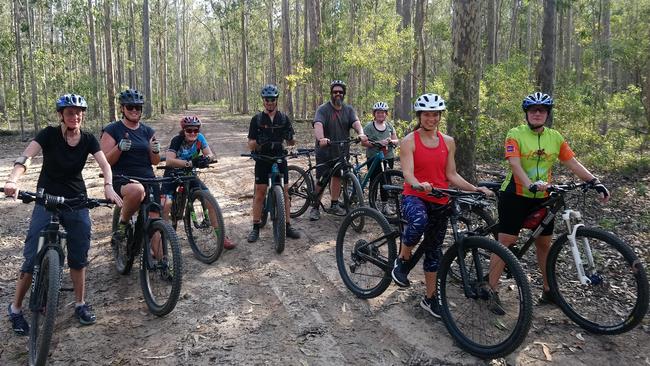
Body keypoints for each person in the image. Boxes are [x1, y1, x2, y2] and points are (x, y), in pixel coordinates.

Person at [4, 94, 122, 333]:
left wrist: (108, 185)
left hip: (76, 200)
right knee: (30, 258)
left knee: (79, 255)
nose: (75, 116)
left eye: (78, 113)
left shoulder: (88, 139)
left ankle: (80, 303)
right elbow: (26, 157)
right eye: (69, 112)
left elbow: (105, 165)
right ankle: (15, 309)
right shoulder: (48, 134)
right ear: (61, 115)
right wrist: (13, 179)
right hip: (45, 198)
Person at [487, 92, 609, 308]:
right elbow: (514, 164)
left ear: (547, 114)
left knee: (544, 244)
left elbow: (572, 163)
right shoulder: (515, 134)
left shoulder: (555, 137)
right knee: (506, 243)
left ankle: (548, 290)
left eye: (541, 110)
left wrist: (594, 181)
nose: (537, 113)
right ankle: (491, 289)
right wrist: (528, 183)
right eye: (533, 110)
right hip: (515, 195)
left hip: (543, 198)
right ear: (527, 113)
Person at [390, 93, 493, 319]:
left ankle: (429, 298)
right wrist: (419, 185)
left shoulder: (448, 142)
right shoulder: (409, 141)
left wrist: (475, 189)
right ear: (420, 116)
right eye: (427, 114)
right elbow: (407, 174)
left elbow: (451, 174)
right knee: (418, 221)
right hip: (414, 196)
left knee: (434, 252)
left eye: (435, 114)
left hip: (441, 199)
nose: (431, 118)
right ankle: (403, 257)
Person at [161, 116, 236, 249]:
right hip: (172, 174)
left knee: (210, 201)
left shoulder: (200, 138)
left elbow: (210, 154)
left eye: (195, 130)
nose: (193, 133)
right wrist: (188, 163)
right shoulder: (177, 140)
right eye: (189, 130)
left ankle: (221, 237)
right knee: (165, 205)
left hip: (189, 175)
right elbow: (169, 161)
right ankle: (161, 239)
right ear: (183, 130)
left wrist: (205, 159)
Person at [100, 89, 161, 248]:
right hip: (122, 178)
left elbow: (154, 162)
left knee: (157, 218)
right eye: (130, 107)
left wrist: (155, 150)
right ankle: (123, 224)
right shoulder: (112, 130)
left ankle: (162, 262)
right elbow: (104, 161)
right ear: (122, 108)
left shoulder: (147, 131)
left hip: (148, 178)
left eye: (138, 107)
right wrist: (119, 148)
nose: (134, 110)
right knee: (137, 190)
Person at [246, 84, 301, 242]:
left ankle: (288, 225)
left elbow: (291, 142)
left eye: (272, 99)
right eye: (267, 99)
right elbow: (250, 143)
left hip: (279, 158)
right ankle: (256, 227)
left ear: (276, 100)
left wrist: (290, 138)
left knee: (285, 193)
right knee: (260, 193)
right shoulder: (256, 119)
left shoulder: (283, 118)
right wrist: (257, 142)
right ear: (263, 101)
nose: (270, 102)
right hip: (262, 159)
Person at [308, 80, 368, 221]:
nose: (338, 94)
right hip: (325, 151)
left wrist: (361, 133)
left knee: (338, 177)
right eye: (335, 92)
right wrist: (321, 138)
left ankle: (334, 204)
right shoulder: (323, 109)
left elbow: (356, 123)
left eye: (340, 92)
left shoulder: (348, 109)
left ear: (344, 94)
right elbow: (318, 124)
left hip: (341, 150)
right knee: (322, 179)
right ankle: (315, 207)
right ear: (331, 93)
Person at [361, 101, 399, 215]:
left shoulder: (389, 126)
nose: (380, 115)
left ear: (386, 114)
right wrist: (377, 143)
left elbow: (396, 140)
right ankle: (372, 205)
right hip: (373, 157)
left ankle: (385, 205)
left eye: (382, 113)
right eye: (378, 113)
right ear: (374, 114)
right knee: (374, 180)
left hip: (388, 157)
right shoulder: (369, 126)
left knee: (386, 180)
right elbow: (364, 142)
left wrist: (391, 141)